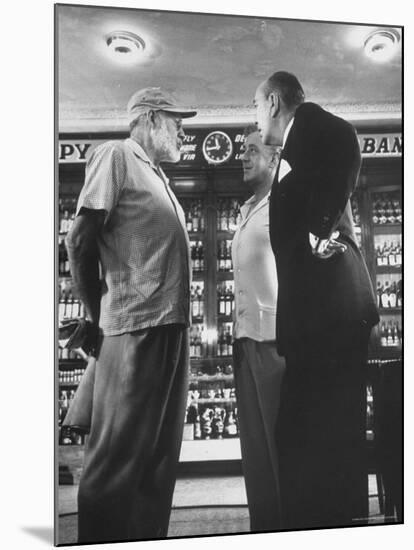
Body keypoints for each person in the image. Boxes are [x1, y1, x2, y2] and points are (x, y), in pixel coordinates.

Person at [65, 87, 197, 543]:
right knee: (116, 464)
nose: (183, 130)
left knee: (157, 465)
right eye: (177, 121)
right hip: (135, 326)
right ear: (152, 119)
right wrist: (95, 316)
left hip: (169, 330)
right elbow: (80, 241)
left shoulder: (158, 176)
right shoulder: (118, 155)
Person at [253, 71, 379, 530]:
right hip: (315, 317)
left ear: (271, 102)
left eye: (254, 106)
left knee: (328, 435)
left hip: (330, 314)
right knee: (312, 435)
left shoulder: (314, 124)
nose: (255, 116)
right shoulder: (293, 142)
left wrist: (316, 232)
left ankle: (335, 527)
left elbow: (346, 139)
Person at [232, 127, 285, 531]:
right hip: (244, 339)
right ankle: (264, 528)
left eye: (252, 150)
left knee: (280, 447)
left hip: (275, 340)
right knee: (254, 449)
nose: (243, 156)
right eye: (242, 151)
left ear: (273, 157)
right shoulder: (248, 207)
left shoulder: (286, 203)